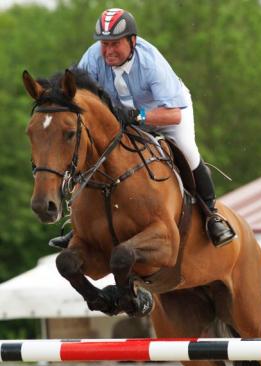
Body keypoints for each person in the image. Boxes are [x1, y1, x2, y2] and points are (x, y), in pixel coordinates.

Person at [50, 8, 236, 249]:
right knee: (91, 150)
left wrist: (139, 115)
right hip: (121, 117)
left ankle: (212, 215)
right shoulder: (93, 57)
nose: (108, 51)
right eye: (104, 44)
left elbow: (174, 114)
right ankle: (78, 226)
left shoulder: (151, 64)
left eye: (115, 44)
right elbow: (77, 94)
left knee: (188, 152)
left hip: (166, 111)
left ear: (133, 41)